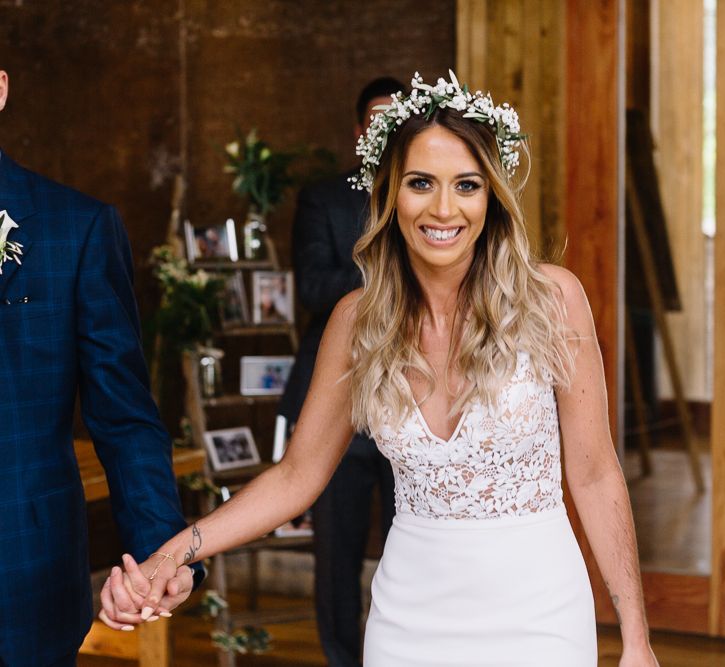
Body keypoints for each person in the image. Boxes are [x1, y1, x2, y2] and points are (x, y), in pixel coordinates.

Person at [104, 71, 658, 666]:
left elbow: (596, 473)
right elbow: (296, 477)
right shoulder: (357, 321)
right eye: (421, 183)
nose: (443, 208)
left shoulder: (553, 299)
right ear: (390, 192)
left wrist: (636, 638)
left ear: (491, 196)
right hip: (409, 618)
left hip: (540, 611)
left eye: (466, 185)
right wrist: (175, 552)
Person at [0, 69, 201, 666]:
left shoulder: (75, 228)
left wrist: (163, 552)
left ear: (2, 88)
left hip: (21, 574)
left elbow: (123, 417)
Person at [277, 76, 404, 667]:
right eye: (375, 121)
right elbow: (313, 287)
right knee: (337, 554)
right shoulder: (324, 198)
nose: (385, 131)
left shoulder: (429, 197)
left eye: (396, 120)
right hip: (340, 398)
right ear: (359, 132)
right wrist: (396, 275)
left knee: (411, 548)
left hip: (415, 401)